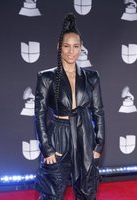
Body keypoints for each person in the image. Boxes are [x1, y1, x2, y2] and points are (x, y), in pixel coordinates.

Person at [34, 12, 105, 200]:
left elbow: (98, 111)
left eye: (75, 46)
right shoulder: (46, 77)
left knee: (87, 192)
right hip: (59, 135)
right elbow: (39, 115)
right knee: (52, 193)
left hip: (85, 135)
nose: (71, 51)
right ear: (59, 47)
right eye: (66, 46)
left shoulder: (92, 77)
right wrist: (47, 148)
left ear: (81, 48)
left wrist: (98, 145)